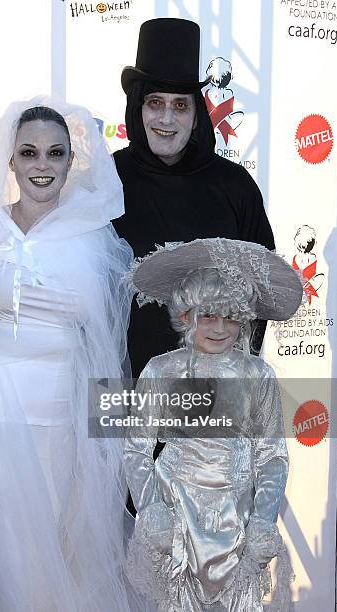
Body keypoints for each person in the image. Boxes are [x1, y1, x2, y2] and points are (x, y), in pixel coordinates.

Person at [0, 99, 138, 611]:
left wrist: (107, 446)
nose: (42, 165)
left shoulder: (92, 238)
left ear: (70, 163)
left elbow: (105, 344)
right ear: (11, 162)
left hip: (63, 420)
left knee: (63, 546)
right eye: (29, 152)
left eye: (55, 153)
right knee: (4, 544)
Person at [123, 238, 303, 611]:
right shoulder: (162, 370)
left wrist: (263, 520)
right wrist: (151, 507)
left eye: (231, 318)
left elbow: (271, 457)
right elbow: (137, 448)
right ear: (187, 316)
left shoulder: (258, 375)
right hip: (176, 515)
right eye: (208, 316)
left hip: (236, 515)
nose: (220, 328)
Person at [112, 18, 275, 376]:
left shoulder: (234, 186)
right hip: (128, 395)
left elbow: (261, 295)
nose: (166, 118)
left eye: (180, 105)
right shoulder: (108, 182)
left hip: (217, 401)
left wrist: (235, 377)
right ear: (138, 108)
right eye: (155, 102)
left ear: (197, 113)